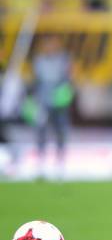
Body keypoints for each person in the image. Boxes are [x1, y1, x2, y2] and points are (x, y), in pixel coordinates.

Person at [30, 36, 73, 166]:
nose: (50, 48)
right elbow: (35, 82)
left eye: (53, 44)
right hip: (43, 102)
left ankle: (60, 161)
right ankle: (41, 161)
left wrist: (65, 93)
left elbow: (68, 80)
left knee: (60, 130)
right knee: (41, 130)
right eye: (47, 45)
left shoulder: (63, 60)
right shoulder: (39, 61)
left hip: (59, 102)